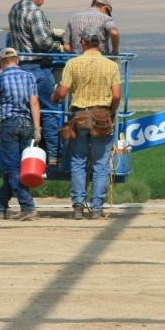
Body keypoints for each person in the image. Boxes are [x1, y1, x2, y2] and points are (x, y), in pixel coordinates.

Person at [52, 28, 122, 220]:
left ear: (82, 43)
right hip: (102, 117)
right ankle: (97, 208)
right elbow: (116, 95)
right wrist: (111, 112)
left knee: (78, 162)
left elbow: (63, 92)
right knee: (101, 164)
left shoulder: (72, 64)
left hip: (80, 117)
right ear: (99, 43)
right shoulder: (111, 66)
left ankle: (77, 207)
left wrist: (55, 96)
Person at [0, 47, 42, 221]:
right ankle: (0, 207)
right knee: (14, 168)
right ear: (17, 60)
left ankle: (28, 207)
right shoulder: (30, 77)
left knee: (11, 168)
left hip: (9, 125)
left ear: (1, 63)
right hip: (27, 125)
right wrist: (37, 128)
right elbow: (34, 103)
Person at [8, 0, 64, 165]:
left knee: (25, 112)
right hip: (37, 67)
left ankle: (26, 152)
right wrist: (61, 47)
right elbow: (42, 42)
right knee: (49, 110)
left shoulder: (14, 9)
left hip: (20, 68)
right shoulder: (35, 12)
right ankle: (53, 155)